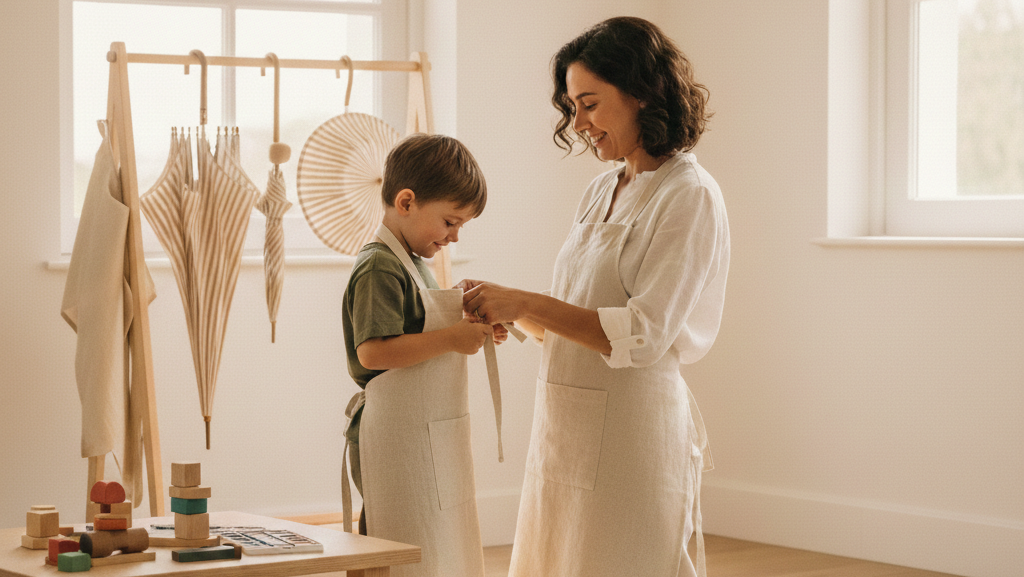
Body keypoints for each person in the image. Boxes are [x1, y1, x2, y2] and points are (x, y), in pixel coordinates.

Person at [457, 17, 730, 577]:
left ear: (639, 95)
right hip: (564, 422)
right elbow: (575, 310)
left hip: (635, 431)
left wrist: (526, 303)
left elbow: (643, 334)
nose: (577, 123)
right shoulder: (602, 188)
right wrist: (502, 310)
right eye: (571, 106)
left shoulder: (690, 196)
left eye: (589, 104)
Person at [341, 133, 506, 577]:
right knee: (391, 538)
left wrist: (459, 304)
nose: (453, 237)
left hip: (423, 429)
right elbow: (374, 352)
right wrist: (453, 339)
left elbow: (416, 323)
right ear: (407, 202)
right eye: (450, 222)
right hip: (394, 433)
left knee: (430, 536)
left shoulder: (413, 263)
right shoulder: (379, 265)